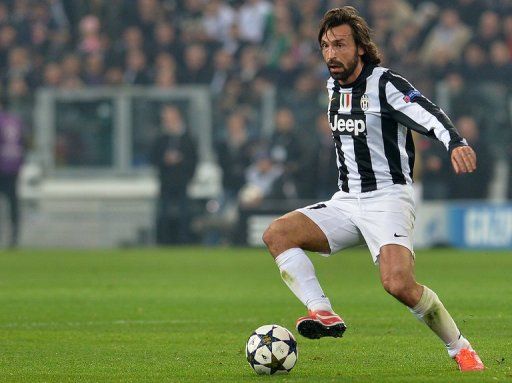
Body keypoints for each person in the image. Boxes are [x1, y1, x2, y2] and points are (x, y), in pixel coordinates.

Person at [262, 7, 484, 372]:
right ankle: (322, 310)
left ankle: (460, 347)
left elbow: (427, 111)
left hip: (388, 199)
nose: (331, 54)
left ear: (360, 47)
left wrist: (455, 142)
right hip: (347, 200)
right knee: (277, 234)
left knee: (398, 284)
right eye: (325, 46)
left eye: (340, 45)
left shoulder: (385, 84)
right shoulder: (332, 85)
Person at [150, 104, 197, 245]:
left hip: (182, 180)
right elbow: (153, 158)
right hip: (166, 180)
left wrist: (181, 162)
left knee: (184, 213)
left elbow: (193, 159)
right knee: (163, 213)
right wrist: (165, 160)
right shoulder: (161, 138)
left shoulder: (187, 138)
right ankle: (164, 241)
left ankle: (183, 241)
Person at [0, 101, 25, 248]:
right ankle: (14, 238)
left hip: (2, 164)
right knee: (13, 202)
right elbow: (23, 142)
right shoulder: (15, 121)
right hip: (13, 165)